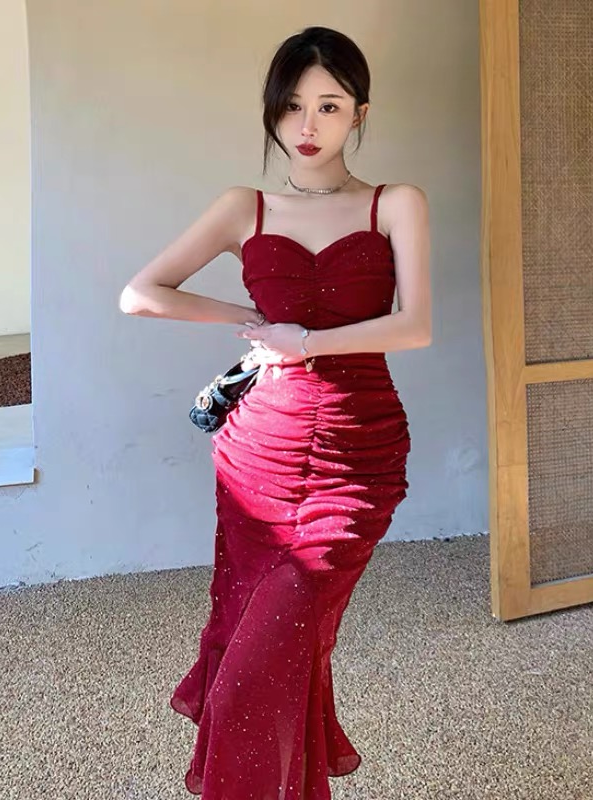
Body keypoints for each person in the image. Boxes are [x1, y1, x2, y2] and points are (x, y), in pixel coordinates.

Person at [119, 25, 431, 800]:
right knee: (274, 657)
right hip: (259, 455)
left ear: (359, 113)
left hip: (357, 455)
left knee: (266, 663)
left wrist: (308, 340)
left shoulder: (395, 204)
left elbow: (415, 325)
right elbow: (140, 294)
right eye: (291, 106)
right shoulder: (245, 207)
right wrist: (256, 322)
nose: (307, 124)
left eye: (329, 105)